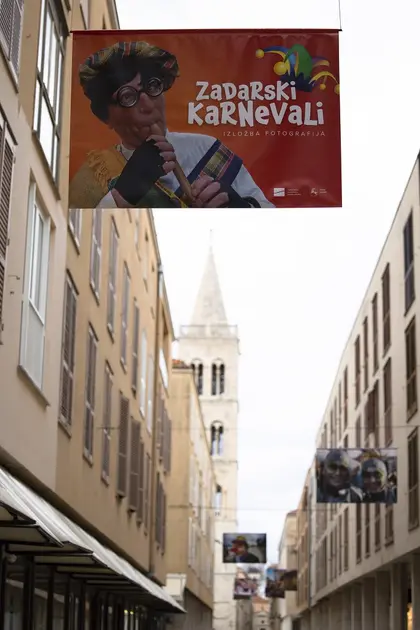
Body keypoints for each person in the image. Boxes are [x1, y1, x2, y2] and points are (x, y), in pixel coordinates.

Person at [69, 41, 274, 209]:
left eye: (152, 86)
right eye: (128, 96)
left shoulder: (205, 148)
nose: (148, 105)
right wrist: (120, 196)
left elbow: (269, 213)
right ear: (106, 117)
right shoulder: (93, 176)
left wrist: (241, 207)